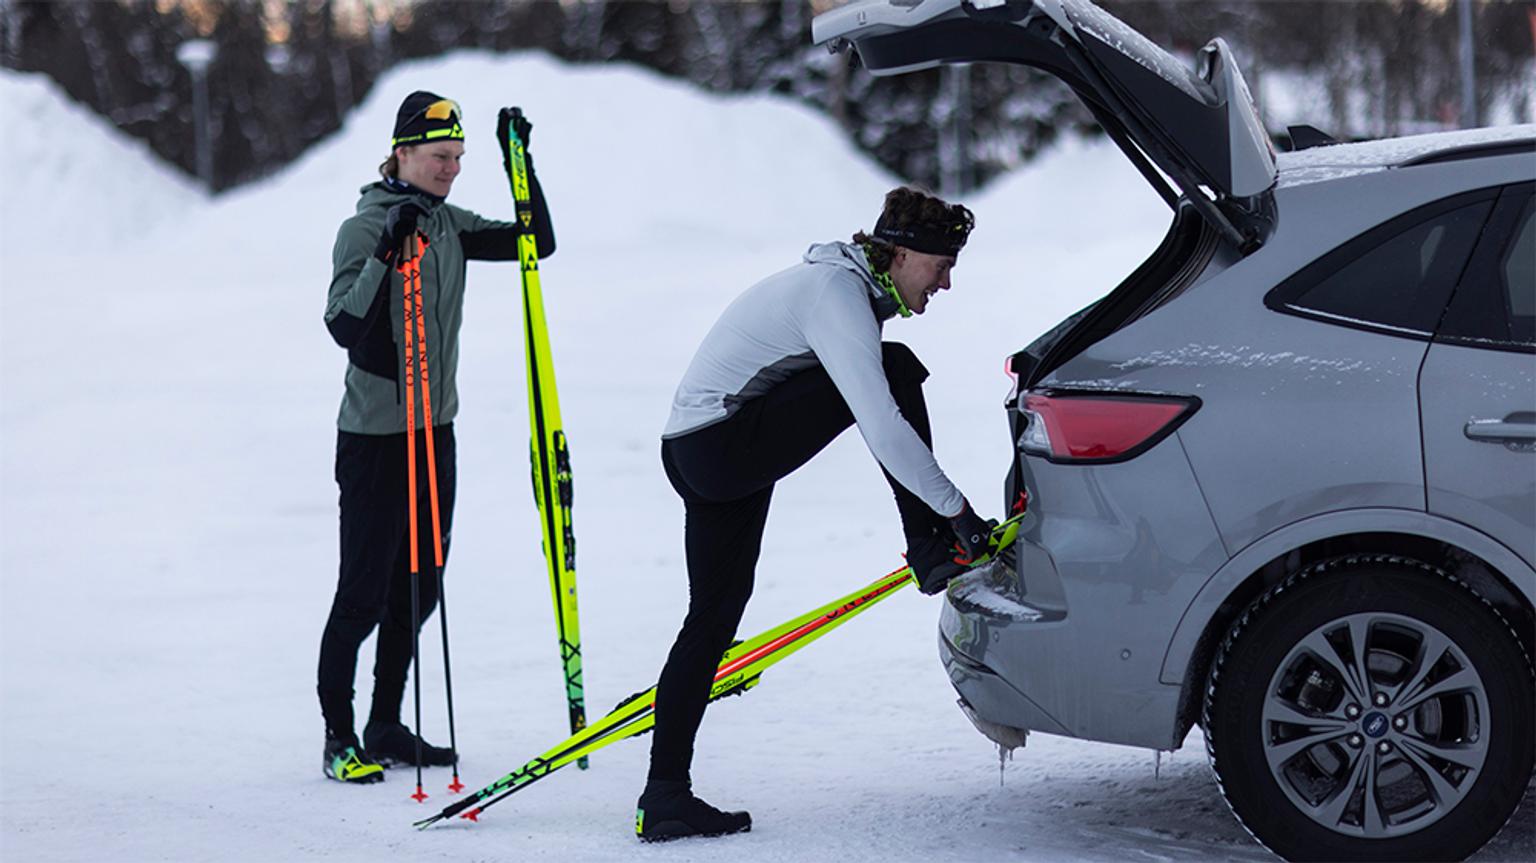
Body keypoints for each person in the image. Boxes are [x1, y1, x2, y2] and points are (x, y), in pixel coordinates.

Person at [636, 187, 994, 839]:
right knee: (894, 370)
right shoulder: (837, 295)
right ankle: (931, 543)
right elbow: (881, 424)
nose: (946, 283)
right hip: (719, 444)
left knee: (712, 619)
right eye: (941, 265)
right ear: (902, 253)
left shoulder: (842, 286)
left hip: (700, 446)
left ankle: (664, 794)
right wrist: (959, 513)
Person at [317, 91, 555, 784]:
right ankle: (339, 736)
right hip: (375, 438)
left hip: (435, 430)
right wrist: (389, 250)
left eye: (457, 157)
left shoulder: (448, 224)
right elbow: (344, 327)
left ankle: (385, 722)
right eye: (437, 157)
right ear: (401, 154)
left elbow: (536, 241)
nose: (450, 169)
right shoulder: (361, 229)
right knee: (362, 591)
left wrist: (521, 161)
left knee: (419, 586)